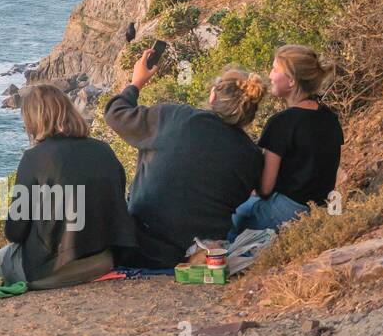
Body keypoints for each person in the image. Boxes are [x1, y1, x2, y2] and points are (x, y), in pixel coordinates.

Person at [103, 52, 265, 268]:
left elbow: (115, 114)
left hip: (141, 245)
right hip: (198, 252)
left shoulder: (174, 117)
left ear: (213, 97)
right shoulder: (252, 155)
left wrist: (136, 83)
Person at [0, 83, 138, 289]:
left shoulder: (34, 158)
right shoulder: (103, 150)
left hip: (50, 271)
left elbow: (15, 232)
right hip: (102, 261)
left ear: (33, 119)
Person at [230, 45, 342, 238]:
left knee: (231, 216)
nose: (270, 75)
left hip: (286, 211)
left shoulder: (282, 123)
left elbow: (265, 189)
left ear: (290, 81)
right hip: (320, 208)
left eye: (275, 69)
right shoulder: (329, 117)